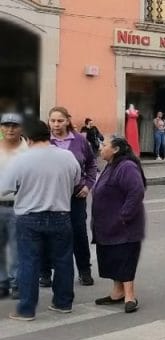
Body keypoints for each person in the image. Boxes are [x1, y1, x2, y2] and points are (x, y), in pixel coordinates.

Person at [0, 119, 80, 321]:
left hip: (29, 217)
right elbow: (76, 181)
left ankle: (26, 309)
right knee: (63, 261)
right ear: (48, 135)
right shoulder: (67, 156)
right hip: (61, 215)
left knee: (29, 263)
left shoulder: (21, 159)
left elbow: (5, 188)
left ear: (27, 138)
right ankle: (63, 303)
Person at [91, 137, 146, 313]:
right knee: (112, 257)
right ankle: (117, 292)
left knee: (124, 258)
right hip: (107, 225)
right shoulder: (111, 165)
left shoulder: (126, 166)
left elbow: (136, 191)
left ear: (115, 149)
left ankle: (129, 296)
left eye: (104, 145)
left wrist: (124, 215)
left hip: (124, 226)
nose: (101, 148)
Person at [47, 106, 97, 287]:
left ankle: (84, 270)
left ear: (67, 121)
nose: (56, 124)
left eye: (60, 121)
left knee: (78, 233)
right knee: (49, 233)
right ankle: (45, 271)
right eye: (52, 121)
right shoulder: (44, 141)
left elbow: (92, 164)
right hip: (50, 196)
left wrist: (88, 184)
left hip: (76, 195)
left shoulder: (79, 141)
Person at [0, 113, 28, 300]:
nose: (10, 129)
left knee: (19, 247)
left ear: (21, 128)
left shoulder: (29, 151)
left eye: (14, 126)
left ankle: (17, 282)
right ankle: (2, 283)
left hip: (20, 206)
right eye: (6, 125)